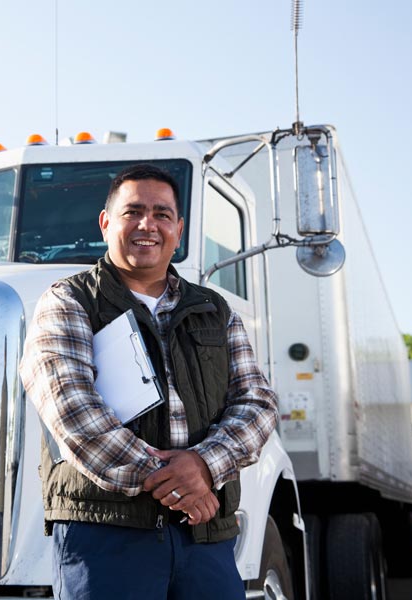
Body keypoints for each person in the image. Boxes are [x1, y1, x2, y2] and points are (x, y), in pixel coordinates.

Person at [19, 164, 278, 600]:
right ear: (105, 223)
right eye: (132, 211)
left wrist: (202, 466)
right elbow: (71, 410)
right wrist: (178, 483)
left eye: (161, 214)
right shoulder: (68, 300)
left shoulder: (216, 309)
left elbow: (257, 403)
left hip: (205, 534)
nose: (147, 225)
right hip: (107, 534)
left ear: (178, 229)